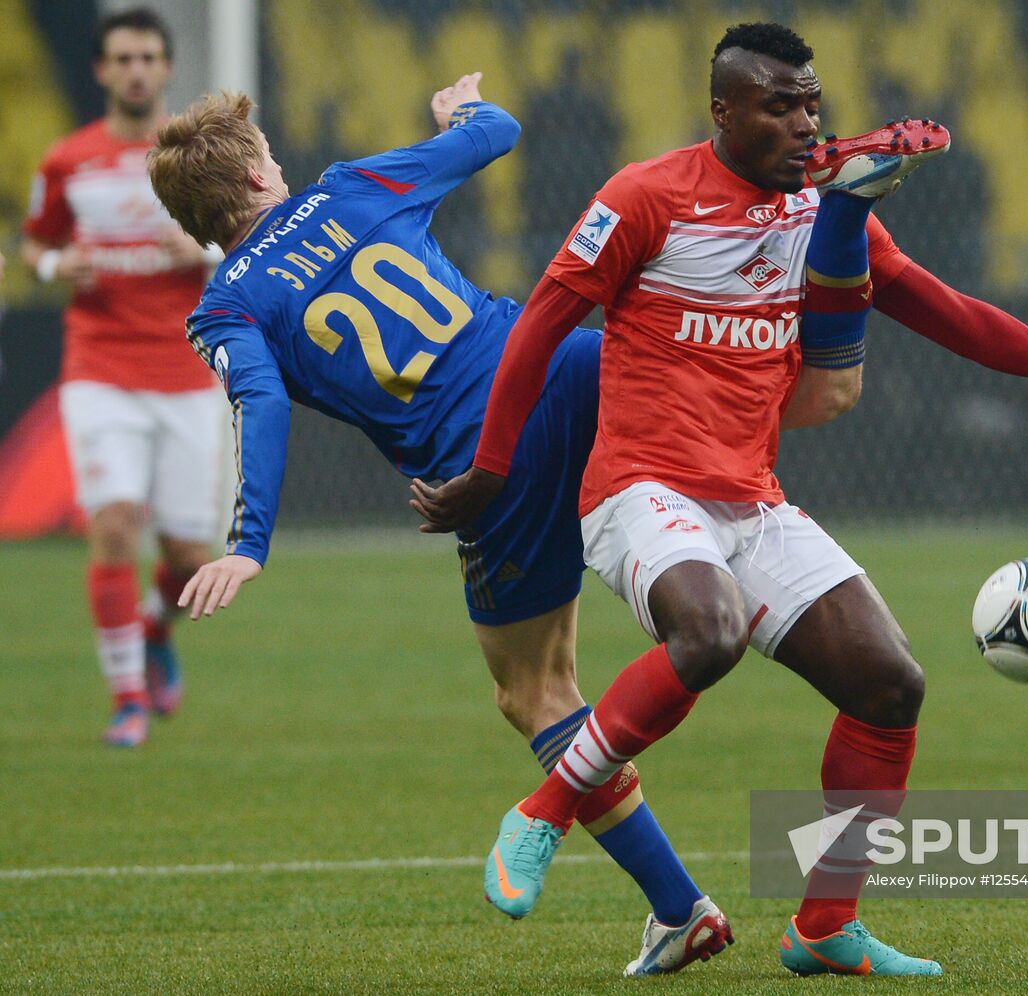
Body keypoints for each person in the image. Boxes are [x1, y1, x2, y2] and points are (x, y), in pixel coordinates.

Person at [412, 22, 1028, 978]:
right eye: (780, 105)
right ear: (722, 110)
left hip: (749, 499)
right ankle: (546, 810)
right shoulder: (645, 197)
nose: (806, 123)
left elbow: (947, 310)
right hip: (638, 489)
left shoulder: (825, 204)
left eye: (813, 103)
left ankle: (823, 927)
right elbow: (539, 330)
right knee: (709, 633)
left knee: (892, 685)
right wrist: (494, 467)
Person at [146, 70, 897, 977]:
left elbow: (259, 404)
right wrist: (454, 113)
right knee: (697, 489)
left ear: (197, 219)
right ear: (264, 175)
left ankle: (679, 907)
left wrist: (250, 542)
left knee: (534, 693)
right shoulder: (348, 188)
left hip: (483, 464)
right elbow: (497, 129)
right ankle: (789, 459)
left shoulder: (224, 306)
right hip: (574, 371)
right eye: (271, 155)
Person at [21, 8, 225, 748]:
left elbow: (254, 241)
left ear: (166, 69)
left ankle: (153, 627)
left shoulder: (200, 161)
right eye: (122, 58)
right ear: (103, 70)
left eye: (148, 57)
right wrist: (53, 265)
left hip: (184, 371)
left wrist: (198, 252)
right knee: (111, 527)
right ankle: (127, 700)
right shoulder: (68, 160)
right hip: (99, 370)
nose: (135, 70)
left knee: (187, 558)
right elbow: (32, 243)